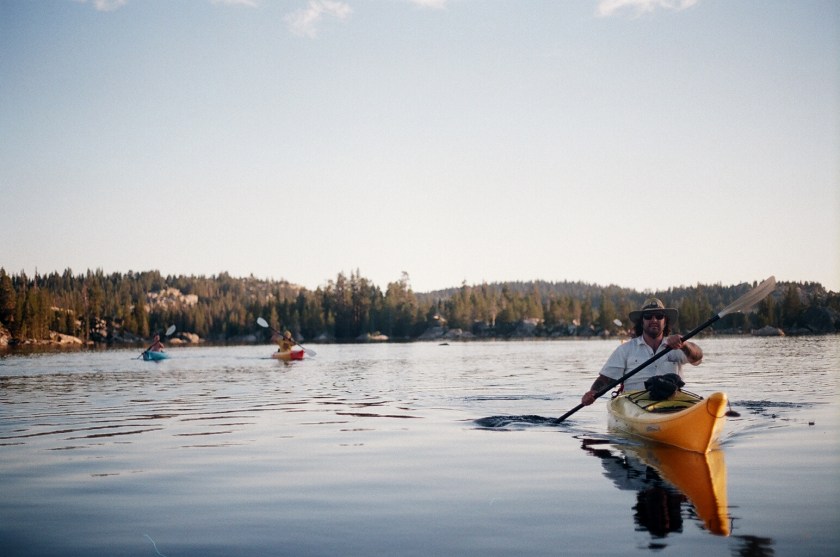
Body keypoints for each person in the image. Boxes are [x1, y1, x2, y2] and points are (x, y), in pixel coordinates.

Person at [581, 298, 703, 406]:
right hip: (634, 404)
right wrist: (593, 393)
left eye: (659, 316)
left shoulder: (677, 346)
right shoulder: (625, 349)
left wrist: (684, 345)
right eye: (648, 316)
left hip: (672, 401)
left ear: (665, 321)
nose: (654, 320)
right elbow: (605, 379)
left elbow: (697, 358)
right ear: (642, 321)